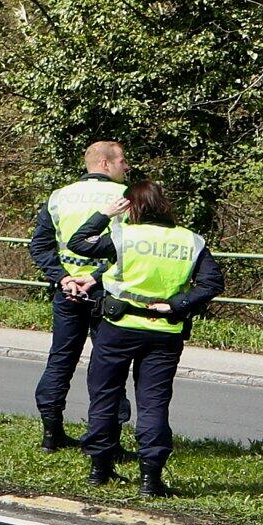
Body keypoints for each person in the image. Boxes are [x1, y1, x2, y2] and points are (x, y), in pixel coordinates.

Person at [66, 179, 222, 499]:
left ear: (130, 206)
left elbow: (78, 242)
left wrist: (105, 214)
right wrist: (176, 304)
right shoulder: (190, 240)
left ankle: (99, 469)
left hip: (117, 328)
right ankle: (150, 480)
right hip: (165, 333)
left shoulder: (123, 234)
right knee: (153, 404)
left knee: (105, 396)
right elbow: (212, 283)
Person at [28, 140, 129, 451]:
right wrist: (95, 277)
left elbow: (40, 247)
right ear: (104, 164)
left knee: (60, 360)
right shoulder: (125, 197)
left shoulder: (59, 197)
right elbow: (132, 249)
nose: (126, 167)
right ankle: (105, 439)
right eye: (122, 161)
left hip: (67, 292)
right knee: (108, 365)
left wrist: (63, 278)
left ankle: (51, 435)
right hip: (107, 292)